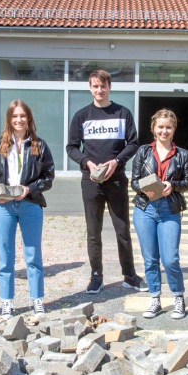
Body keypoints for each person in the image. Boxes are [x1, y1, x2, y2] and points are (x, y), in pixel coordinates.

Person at [66, 69, 146, 294]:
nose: (99, 90)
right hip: (91, 181)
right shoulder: (82, 115)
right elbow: (71, 147)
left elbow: (133, 143)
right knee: (94, 231)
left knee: (122, 229)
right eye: (95, 86)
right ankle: (96, 276)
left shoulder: (122, 113)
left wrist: (117, 162)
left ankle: (129, 275)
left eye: (103, 86)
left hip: (117, 181)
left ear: (109, 87)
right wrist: (87, 163)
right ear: (90, 88)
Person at [0, 100, 55, 319]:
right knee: (5, 256)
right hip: (3, 206)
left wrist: (30, 188)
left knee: (33, 254)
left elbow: (48, 176)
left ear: (29, 119)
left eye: (22, 116)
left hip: (30, 204)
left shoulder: (39, 145)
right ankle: (7, 302)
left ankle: (37, 300)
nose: (19, 120)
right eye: (14, 116)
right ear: (9, 119)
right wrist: (0, 193)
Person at [131, 109, 188, 319]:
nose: (164, 131)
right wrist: (144, 188)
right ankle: (155, 299)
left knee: (170, 259)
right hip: (145, 209)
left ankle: (178, 297)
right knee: (149, 259)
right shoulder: (143, 152)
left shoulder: (183, 154)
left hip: (169, 210)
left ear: (174, 129)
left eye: (168, 127)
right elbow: (134, 182)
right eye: (160, 127)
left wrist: (171, 185)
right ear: (153, 128)